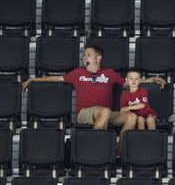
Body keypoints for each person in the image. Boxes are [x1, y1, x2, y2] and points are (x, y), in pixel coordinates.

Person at [22, 44, 165, 132]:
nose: (85, 58)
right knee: (105, 111)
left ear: (98, 58)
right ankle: (96, 148)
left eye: (88, 55)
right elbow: (57, 78)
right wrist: (34, 78)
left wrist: (151, 79)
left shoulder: (109, 73)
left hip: (107, 114)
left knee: (132, 117)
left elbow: (131, 83)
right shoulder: (78, 73)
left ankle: (119, 153)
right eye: (84, 55)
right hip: (85, 114)